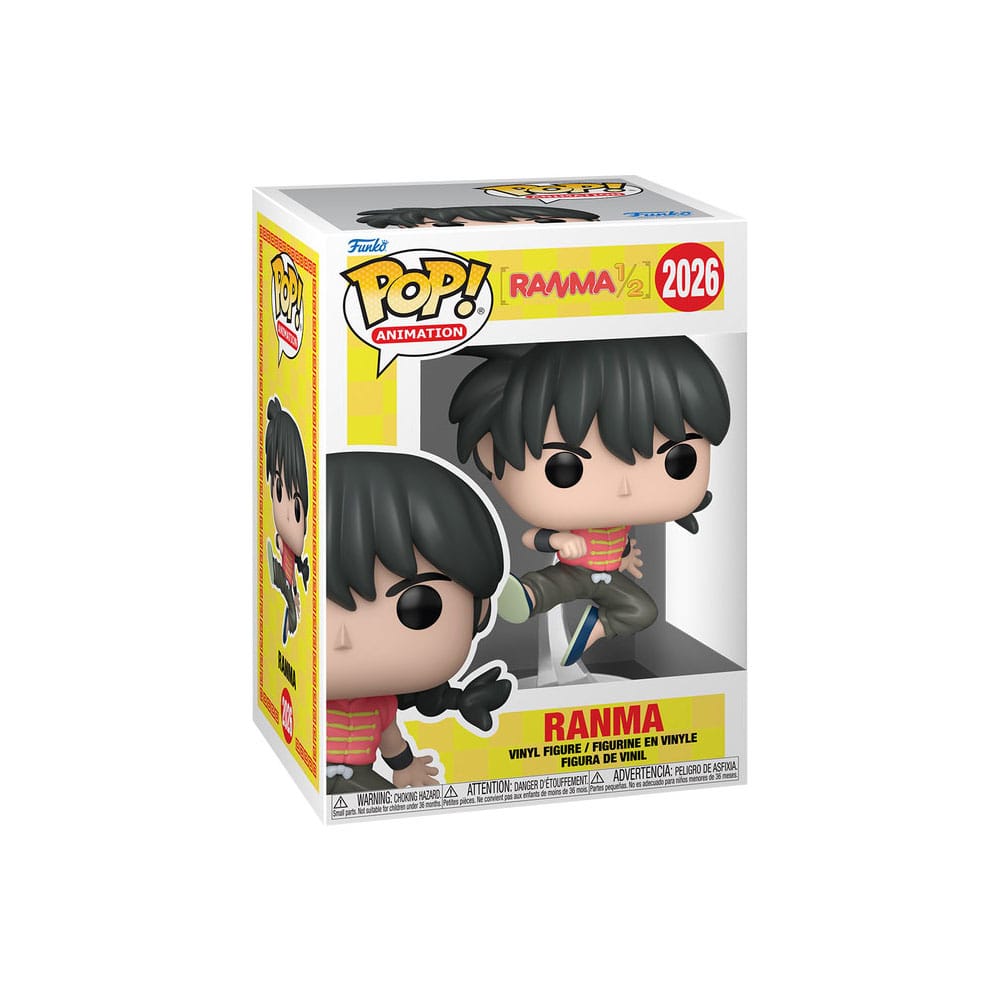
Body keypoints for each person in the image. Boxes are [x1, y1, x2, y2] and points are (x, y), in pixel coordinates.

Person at [449, 336, 730, 665]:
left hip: (609, 578)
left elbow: (619, 542)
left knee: (643, 610)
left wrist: (625, 557)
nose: (624, 487)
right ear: (488, 449)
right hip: (572, 573)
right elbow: (533, 537)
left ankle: (598, 625)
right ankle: (524, 595)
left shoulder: (621, 521)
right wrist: (560, 540)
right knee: (548, 587)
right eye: (565, 468)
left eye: (678, 460)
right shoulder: (575, 523)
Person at [325, 450, 510, 794]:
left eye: (418, 607)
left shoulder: (381, 705)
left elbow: (391, 740)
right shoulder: (310, 698)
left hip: (360, 779)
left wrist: (405, 766)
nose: (343, 638)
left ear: (480, 609)